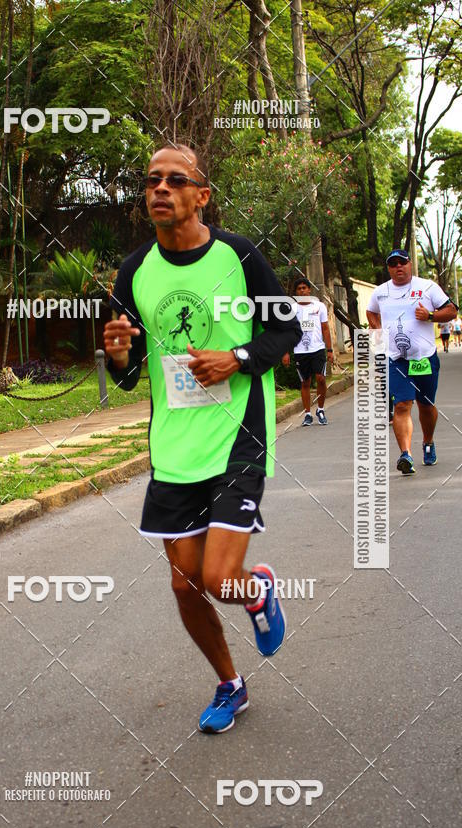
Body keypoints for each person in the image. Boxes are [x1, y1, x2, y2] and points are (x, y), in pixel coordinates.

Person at [103, 143, 302, 734]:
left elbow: (285, 329)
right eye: (151, 181)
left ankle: (256, 591)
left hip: (237, 438)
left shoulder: (239, 256)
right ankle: (230, 685)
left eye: (175, 180)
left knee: (218, 578)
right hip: (174, 447)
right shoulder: (134, 271)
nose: (160, 189)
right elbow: (128, 371)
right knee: (185, 584)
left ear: (201, 195)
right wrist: (118, 356)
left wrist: (236, 358)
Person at [366, 249, 457, 474]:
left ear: (409, 264)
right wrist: (377, 329)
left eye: (402, 262)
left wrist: (431, 316)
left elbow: (451, 311)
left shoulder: (427, 287)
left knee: (426, 405)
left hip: (424, 358)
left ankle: (428, 442)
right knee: (401, 404)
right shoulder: (380, 292)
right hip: (396, 359)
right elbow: (371, 312)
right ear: (389, 268)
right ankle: (405, 454)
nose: (398, 266)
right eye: (393, 263)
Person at [281, 277, 333, 426]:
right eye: (299, 289)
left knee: (321, 378)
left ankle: (320, 410)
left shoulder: (319, 306)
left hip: (317, 348)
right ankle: (308, 414)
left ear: (309, 290)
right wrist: (285, 352)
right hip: (300, 350)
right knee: (305, 382)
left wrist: (329, 350)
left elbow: (325, 328)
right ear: (296, 292)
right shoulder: (292, 309)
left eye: (304, 288)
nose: (302, 291)